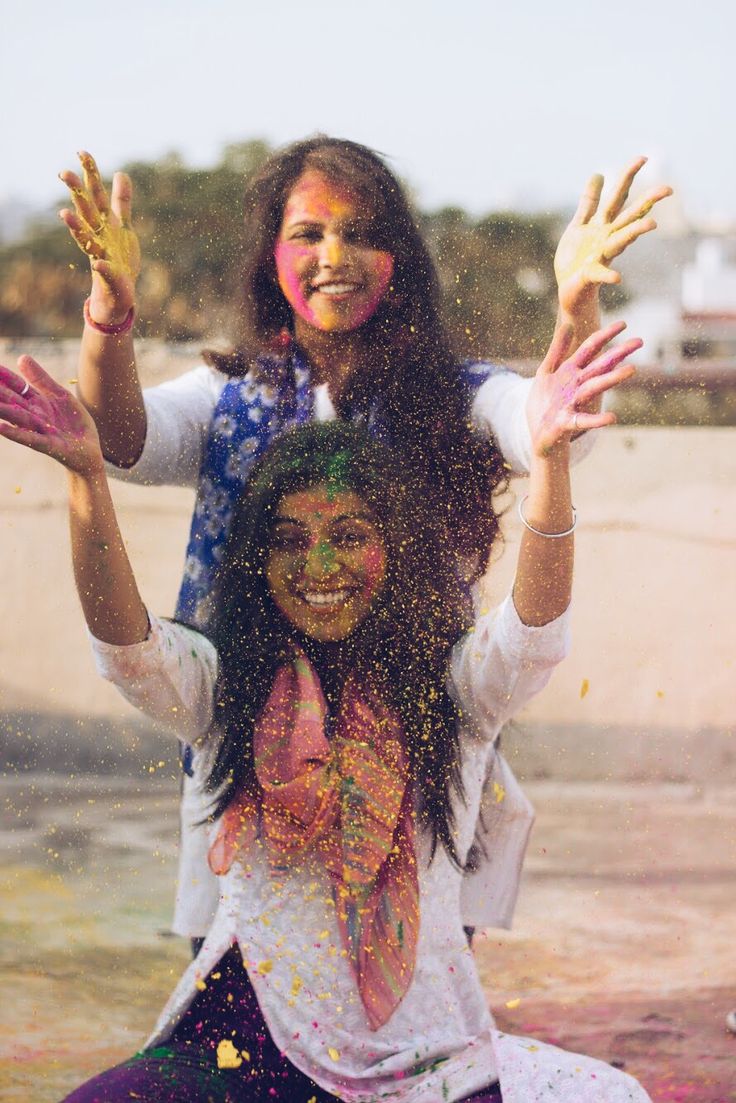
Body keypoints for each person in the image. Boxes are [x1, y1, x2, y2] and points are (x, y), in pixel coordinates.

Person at [0, 322, 652, 1101]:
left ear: (398, 548)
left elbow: (533, 634)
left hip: (424, 1057)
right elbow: (128, 646)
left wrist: (551, 469)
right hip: (241, 1042)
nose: (319, 566)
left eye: (349, 535)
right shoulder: (226, 685)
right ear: (258, 557)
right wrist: (86, 480)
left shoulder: (450, 688)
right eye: (289, 539)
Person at [58, 138, 672, 945]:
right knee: (249, 998)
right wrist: (110, 307)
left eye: (361, 232)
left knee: (414, 990)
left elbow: (547, 428)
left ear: (401, 257)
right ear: (271, 255)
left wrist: (574, 313)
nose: (334, 256)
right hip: (254, 749)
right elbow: (118, 438)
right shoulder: (229, 397)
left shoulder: (456, 396)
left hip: (415, 749)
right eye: (309, 233)